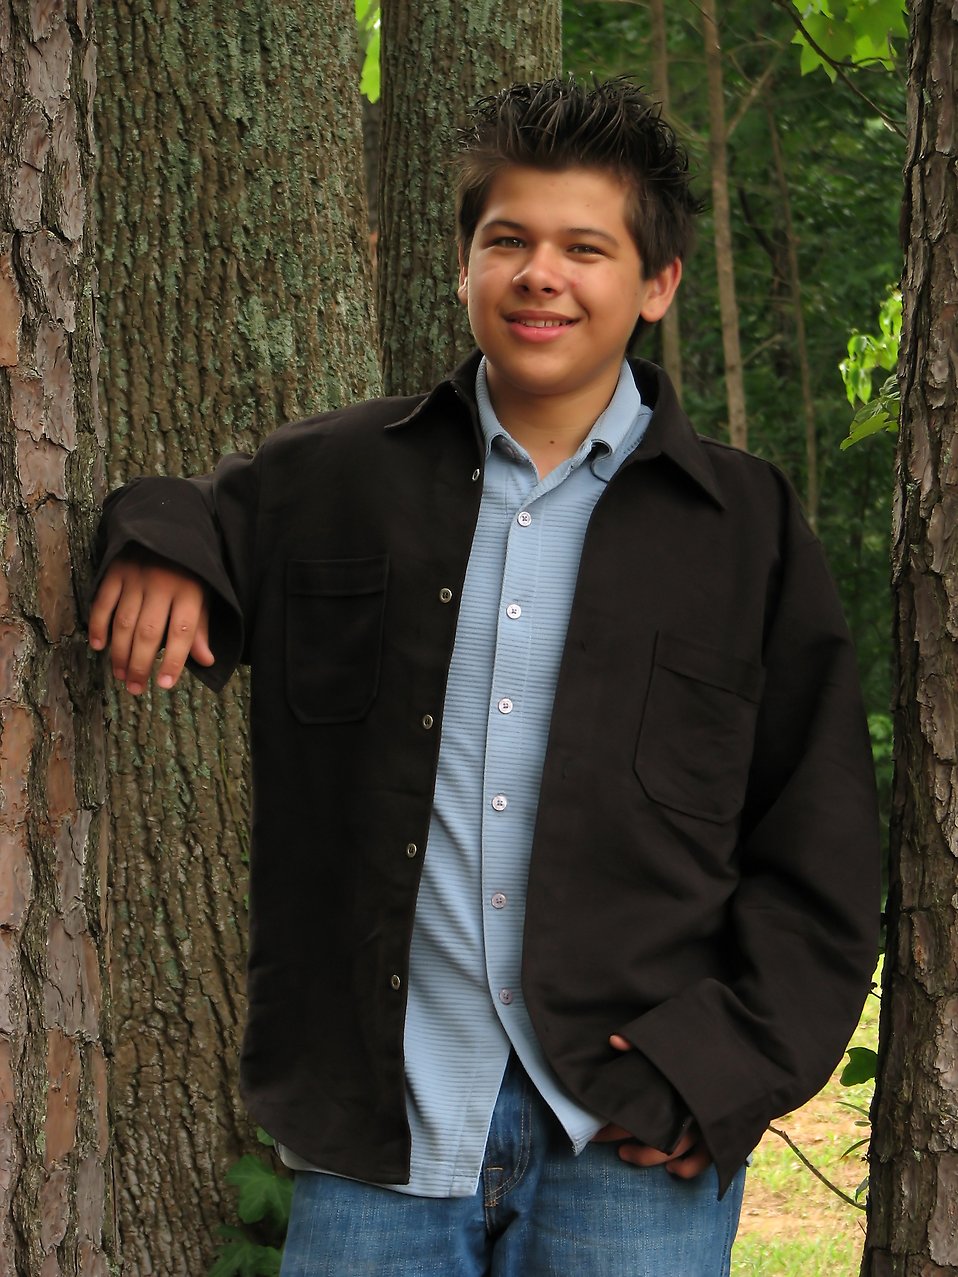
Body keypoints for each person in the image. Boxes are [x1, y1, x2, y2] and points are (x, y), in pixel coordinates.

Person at [88, 77, 880, 1276]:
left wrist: (720, 1069)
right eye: (504, 240)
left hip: (630, 1135)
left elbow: (819, 844)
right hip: (381, 1136)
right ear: (462, 265)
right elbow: (194, 515)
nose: (537, 274)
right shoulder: (334, 478)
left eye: (584, 248)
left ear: (655, 285)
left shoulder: (746, 529)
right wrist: (155, 543)